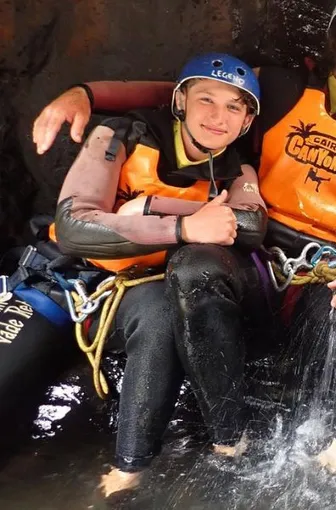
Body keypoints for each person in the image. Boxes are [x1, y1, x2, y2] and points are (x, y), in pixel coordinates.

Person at [32, 0, 336, 476]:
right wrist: (88, 94)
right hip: (254, 255)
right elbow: (191, 91)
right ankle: (230, 438)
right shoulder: (282, 86)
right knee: (194, 267)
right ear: (334, 37)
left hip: (326, 268)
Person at [51, 53, 267, 496]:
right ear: (181, 101)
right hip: (83, 277)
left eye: (233, 107)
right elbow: (74, 224)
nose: (217, 116)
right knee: (155, 317)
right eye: (206, 98)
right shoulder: (120, 134)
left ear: (246, 121)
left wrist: (151, 208)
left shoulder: (237, 167)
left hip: (151, 286)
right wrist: (182, 226)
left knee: (161, 315)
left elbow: (249, 225)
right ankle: (128, 467)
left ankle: (130, 467)